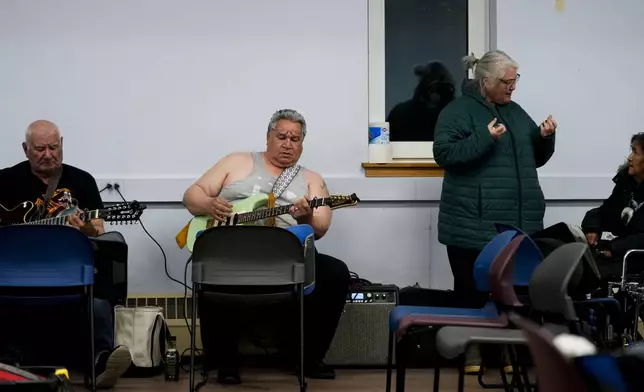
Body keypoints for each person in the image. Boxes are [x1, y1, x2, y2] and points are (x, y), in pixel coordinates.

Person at [182, 108, 350, 384]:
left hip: (284, 255)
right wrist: (210, 205)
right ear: (268, 137)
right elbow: (191, 196)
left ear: (302, 144)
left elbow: (319, 228)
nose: (287, 143)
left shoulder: (311, 179)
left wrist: (305, 215)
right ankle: (225, 361)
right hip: (231, 249)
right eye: (281, 136)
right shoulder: (236, 161)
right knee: (211, 269)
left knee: (334, 273)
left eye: (295, 139)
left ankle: (307, 358)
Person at [433, 50, 558, 373]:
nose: (512, 88)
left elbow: (536, 158)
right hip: (471, 222)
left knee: (514, 291)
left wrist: (544, 138)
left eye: (515, 81)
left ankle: (506, 353)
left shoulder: (516, 112)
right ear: (486, 80)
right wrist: (484, 138)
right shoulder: (457, 111)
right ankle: (472, 352)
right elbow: (444, 154)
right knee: (471, 291)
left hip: (518, 224)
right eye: (507, 81)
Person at [0, 120, 131, 389]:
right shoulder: (4, 180)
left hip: (67, 271)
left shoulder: (82, 181)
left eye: (53, 147)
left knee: (102, 270)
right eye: (39, 149)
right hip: (14, 272)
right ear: (25, 149)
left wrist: (82, 225)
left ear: (62, 146)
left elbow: (97, 231)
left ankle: (101, 361)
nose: (48, 154)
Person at [582, 133, 644, 281]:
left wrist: (613, 249)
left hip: (636, 259)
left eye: (635, 152)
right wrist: (593, 228)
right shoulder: (626, 185)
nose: (629, 157)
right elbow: (605, 211)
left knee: (588, 273)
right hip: (621, 254)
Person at [387, 61, 456, 141]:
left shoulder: (456, 117)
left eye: (439, 87)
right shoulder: (400, 114)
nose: (434, 92)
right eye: (429, 83)